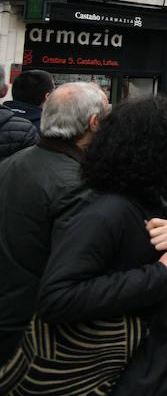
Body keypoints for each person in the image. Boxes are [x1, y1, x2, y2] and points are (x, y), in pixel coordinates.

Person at [32, 95, 167, 396]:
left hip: (148, 377)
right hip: (113, 385)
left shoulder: (149, 204)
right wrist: (158, 275)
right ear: (153, 149)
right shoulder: (107, 212)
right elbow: (57, 296)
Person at [0, 81, 108, 364]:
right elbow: (81, 277)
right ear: (94, 123)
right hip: (42, 337)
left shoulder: (11, 165)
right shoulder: (80, 184)